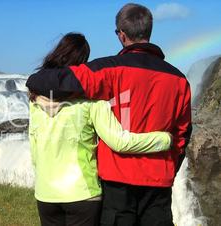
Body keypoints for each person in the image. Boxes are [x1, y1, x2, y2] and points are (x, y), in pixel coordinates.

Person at [26, 4, 192, 226]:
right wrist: (168, 166)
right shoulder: (179, 80)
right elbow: (183, 135)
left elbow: (49, 80)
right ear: (149, 31)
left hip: (117, 183)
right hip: (158, 181)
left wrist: (33, 83)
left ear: (121, 35)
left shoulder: (106, 71)